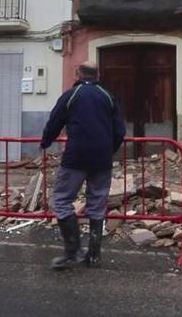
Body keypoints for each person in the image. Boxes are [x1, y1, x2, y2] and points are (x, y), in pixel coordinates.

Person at [40, 61, 126, 269]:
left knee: (61, 201)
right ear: (98, 74)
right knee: (97, 205)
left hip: (75, 158)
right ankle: (94, 255)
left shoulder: (72, 95)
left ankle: (73, 251)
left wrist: (45, 142)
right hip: (102, 160)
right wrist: (109, 149)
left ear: (78, 74)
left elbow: (54, 122)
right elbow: (120, 130)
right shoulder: (107, 96)